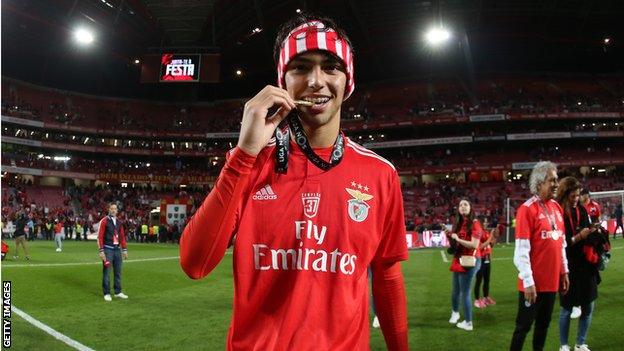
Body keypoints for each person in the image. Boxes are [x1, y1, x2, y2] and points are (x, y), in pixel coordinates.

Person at [180, 13, 408, 350]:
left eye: (331, 67)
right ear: (282, 82)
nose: (316, 80)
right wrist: (244, 153)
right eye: (300, 67)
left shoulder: (380, 174)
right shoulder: (249, 163)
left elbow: (387, 276)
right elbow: (195, 264)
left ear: (348, 81)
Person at [510, 161, 569, 351]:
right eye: (552, 180)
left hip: (551, 282)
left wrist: (564, 271)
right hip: (532, 285)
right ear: (539, 182)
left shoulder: (557, 208)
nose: (556, 184)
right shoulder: (527, 209)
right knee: (523, 327)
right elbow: (521, 252)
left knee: (543, 325)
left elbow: (561, 245)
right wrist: (528, 281)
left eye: (557, 180)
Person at [556, 177, 601, 351]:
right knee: (567, 308)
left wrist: (592, 231)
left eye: (577, 195)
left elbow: (585, 231)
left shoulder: (582, 210)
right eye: (572, 195)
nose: (576, 198)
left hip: (586, 265)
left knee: (589, 305)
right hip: (568, 266)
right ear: (565, 194)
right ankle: (564, 345)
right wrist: (578, 237)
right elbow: (560, 243)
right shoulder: (558, 212)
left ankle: (580, 343)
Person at [446, 199, 483, 331]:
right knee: (455, 290)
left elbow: (474, 245)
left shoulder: (475, 223)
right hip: (460, 258)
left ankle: (468, 322)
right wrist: (451, 238)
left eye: (466, 204)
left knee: (465, 292)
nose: (462, 207)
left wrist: (457, 239)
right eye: (460, 205)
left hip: (470, 260)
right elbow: (456, 244)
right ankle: (455, 313)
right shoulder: (459, 223)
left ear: (471, 207)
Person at [97, 203, 128, 301]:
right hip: (107, 249)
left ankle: (118, 292)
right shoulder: (104, 221)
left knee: (118, 272)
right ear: (109, 210)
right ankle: (106, 293)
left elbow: (122, 237)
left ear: (117, 211)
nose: (114, 210)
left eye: (115, 209)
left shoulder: (119, 222)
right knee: (107, 272)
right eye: (112, 208)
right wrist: (101, 251)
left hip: (117, 250)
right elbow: (100, 237)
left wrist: (124, 249)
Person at [474, 226, 499, 308]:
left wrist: (495, 237)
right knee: (479, 280)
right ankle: (477, 300)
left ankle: (485, 298)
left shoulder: (487, 233)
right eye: (483, 222)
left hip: (487, 259)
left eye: (486, 222)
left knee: (487, 280)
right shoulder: (477, 233)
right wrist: (491, 237)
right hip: (480, 259)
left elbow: (490, 245)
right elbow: (479, 247)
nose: (485, 224)